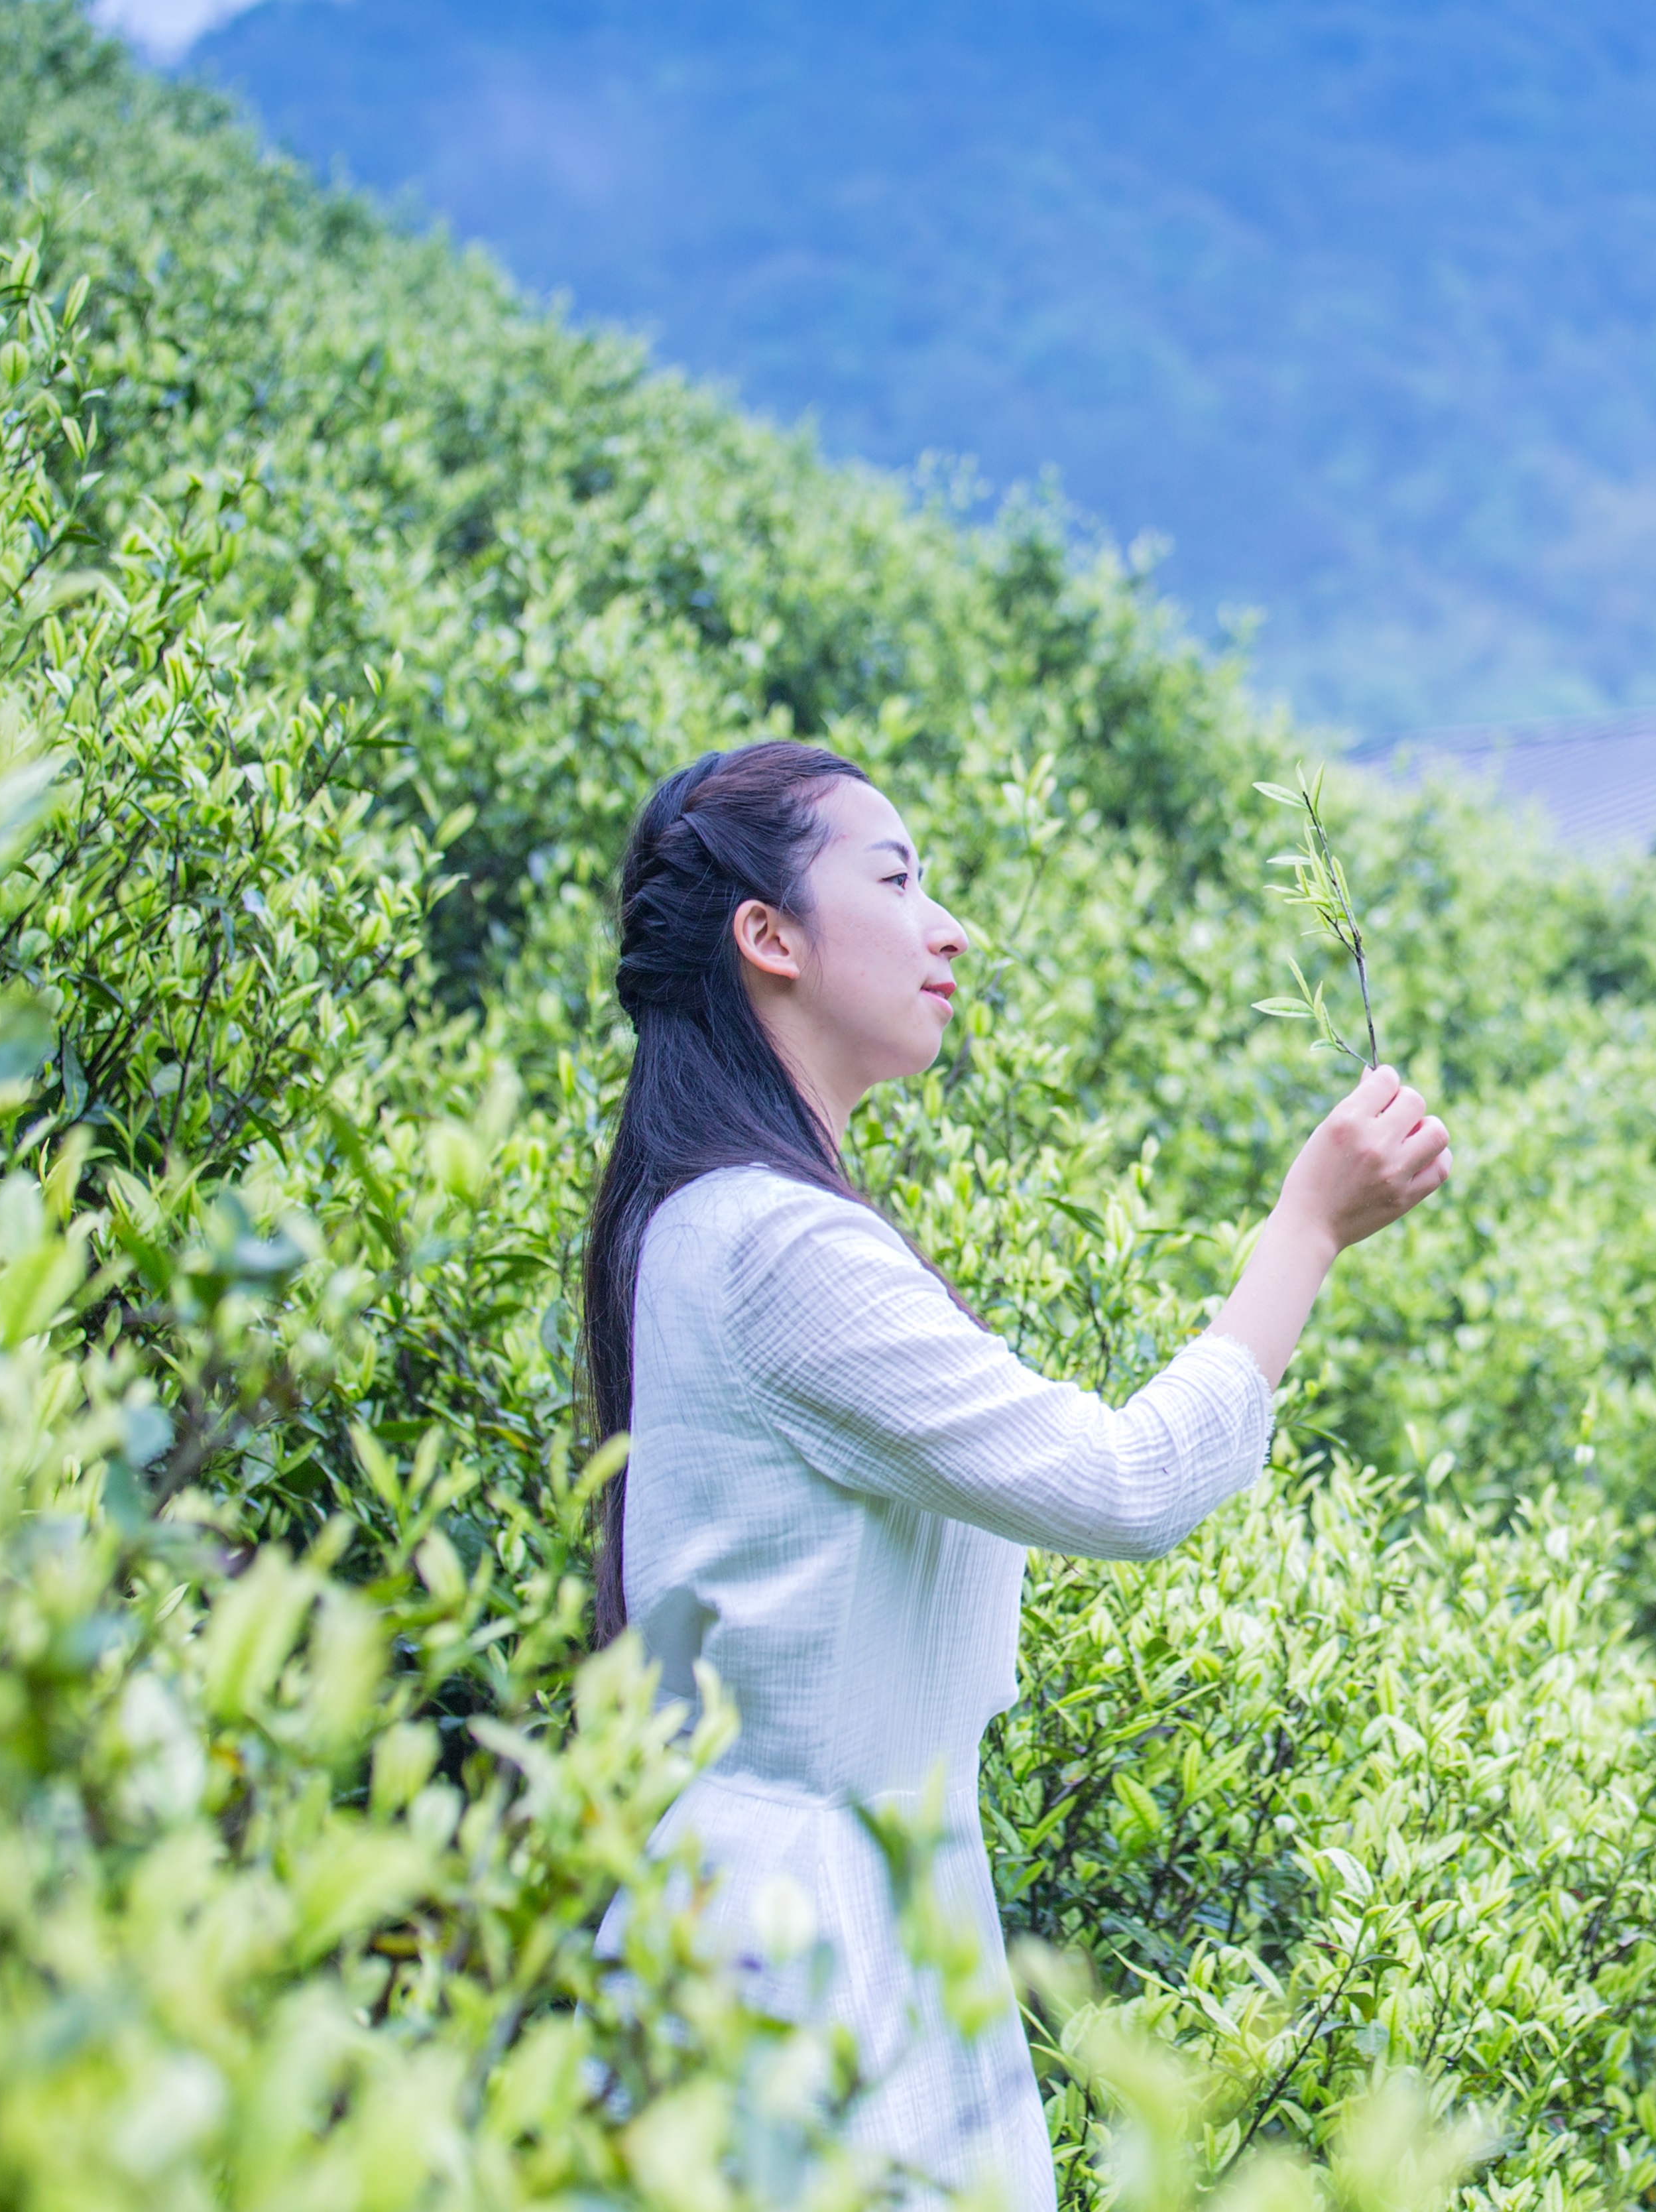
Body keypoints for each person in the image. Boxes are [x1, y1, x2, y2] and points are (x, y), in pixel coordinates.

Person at [581, 740, 1449, 2209]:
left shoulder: (713, 1219)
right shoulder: (779, 1247)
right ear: (768, 936)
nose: (949, 927)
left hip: (787, 1896)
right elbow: (1121, 1486)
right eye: (899, 878)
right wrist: (1304, 1233)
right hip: (807, 1933)